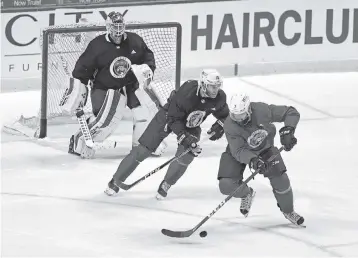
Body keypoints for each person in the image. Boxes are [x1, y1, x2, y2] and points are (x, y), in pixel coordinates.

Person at [104, 69, 229, 199]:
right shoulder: (187, 93)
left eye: (217, 86)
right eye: (212, 86)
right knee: (143, 149)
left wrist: (220, 127)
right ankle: (116, 180)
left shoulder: (220, 97)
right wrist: (184, 138)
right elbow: (173, 119)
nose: (215, 89)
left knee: (187, 155)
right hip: (168, 117)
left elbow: (226, 116)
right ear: (203, 84)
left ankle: (166, 183)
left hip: (191, 125)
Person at [59, 11, 167, 158]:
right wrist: (78, 90)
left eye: (120, 27)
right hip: (104, 86)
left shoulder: (135, 41)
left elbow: (148, 58)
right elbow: (81, 70)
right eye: (114, 28)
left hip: (130, 84)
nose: (117, 33)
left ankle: (142, 144)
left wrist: (147, 69)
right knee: (105, 121)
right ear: (108, 27)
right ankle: (79, 141)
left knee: (144, 111)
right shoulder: (97, 45)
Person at [217, 92, 304, 226]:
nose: (238, 119)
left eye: (242, 115)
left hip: (265, 149)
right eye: (235, 115)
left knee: (281, 180)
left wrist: (288, 130)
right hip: (239, 150)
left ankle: (288, 211)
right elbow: (238, 150)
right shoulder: (229, 124)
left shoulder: (261, 110)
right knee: (226, 185)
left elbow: (290, 112)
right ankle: (246, 193)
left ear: (249, 110)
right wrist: (253, 160)